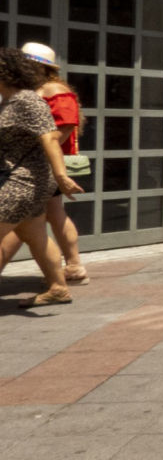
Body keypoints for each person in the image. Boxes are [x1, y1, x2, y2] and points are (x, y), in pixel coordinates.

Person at [0, 47, 84, 306]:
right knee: (35, 235)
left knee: (46, 226)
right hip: (25, 179)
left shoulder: (28, 100)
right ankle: (58, 287)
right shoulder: (11, 100)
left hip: (22, 181)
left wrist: (61, 176)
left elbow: (50, 137)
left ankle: (73, 267)